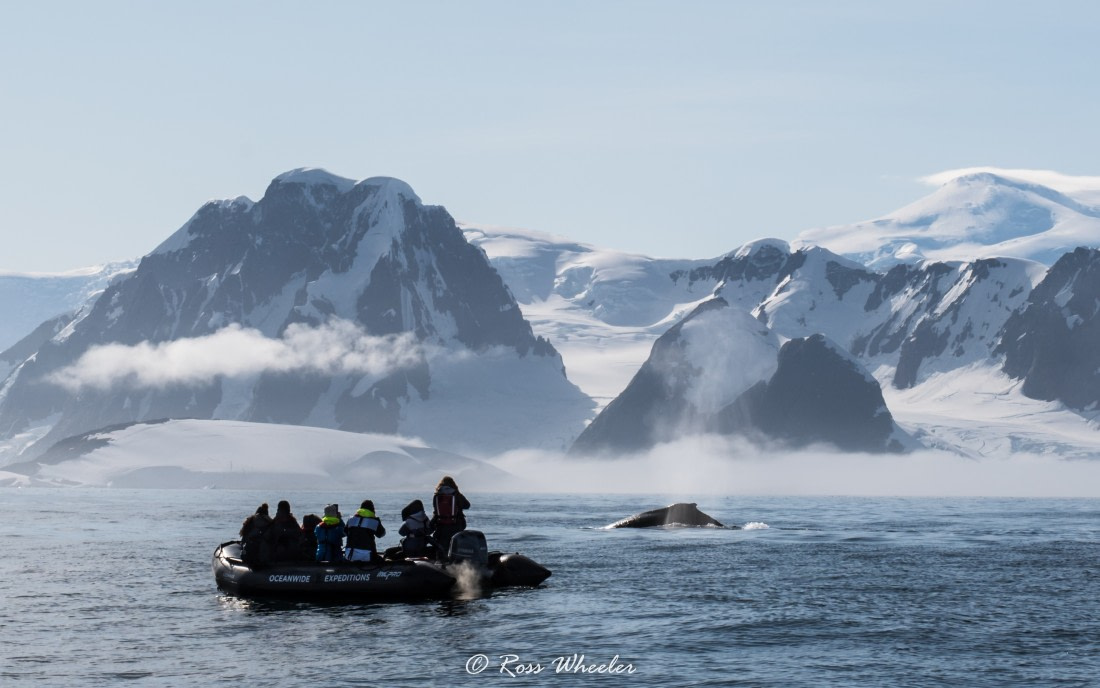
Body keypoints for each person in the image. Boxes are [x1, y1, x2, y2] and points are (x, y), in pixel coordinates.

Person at [430, 476, 470, 560]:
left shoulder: (437, 496)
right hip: (456, 525)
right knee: (455, 546)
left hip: (440, 525)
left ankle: (440, 564)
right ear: (453, 484)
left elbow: (436, 510)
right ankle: (456, 564)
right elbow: (467, 505)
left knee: (441, 547)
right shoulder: (457, 494)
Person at [239, 503, 272, 567]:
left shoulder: (250, 521)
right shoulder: (271, 523)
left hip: (250, 554)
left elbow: (244, 540)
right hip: (264, 557)